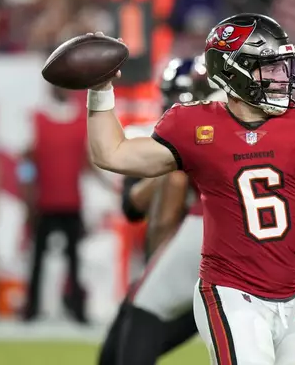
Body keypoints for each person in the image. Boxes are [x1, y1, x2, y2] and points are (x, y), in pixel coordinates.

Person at [85, 12, 295, 365]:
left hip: (291, 296)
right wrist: (100, 90)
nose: (282, 78)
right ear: (231, 70)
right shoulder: (195, 124)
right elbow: (112, 153)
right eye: (268, 68)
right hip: (229, 291)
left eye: (284, 67)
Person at [98, 55, 226, 365]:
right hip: (180, 255)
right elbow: (132, 206)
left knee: (134, 335)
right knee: (115, 351)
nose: (178, 108)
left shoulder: (217, 133)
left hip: (205, 251)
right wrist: (173, 157)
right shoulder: (150, 137)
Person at [19, 85, 93, 323]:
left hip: (72, 202)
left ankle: (77, 309)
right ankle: (31, 309)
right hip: (45, 202)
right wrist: (28, 198)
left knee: (74, 261)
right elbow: (27, 162)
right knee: (37, 259)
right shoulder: (38, 119)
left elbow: (88, 164)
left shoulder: (81, 121)